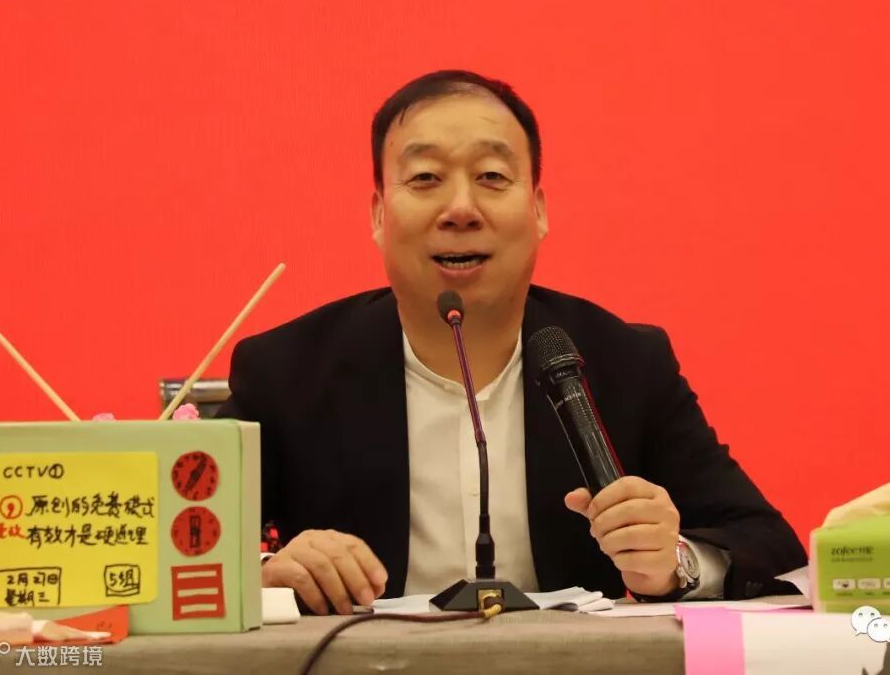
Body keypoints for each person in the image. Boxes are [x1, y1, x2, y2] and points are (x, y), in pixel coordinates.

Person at [218, 70, 806, 615]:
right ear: (378, 214)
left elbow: (767, 545)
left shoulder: (624, 362)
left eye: (492, 178)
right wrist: (265, 573)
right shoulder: (286, 371)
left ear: (538, 210)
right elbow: (188, 550)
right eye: (425, 178)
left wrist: (674, 561)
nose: (460, 209)